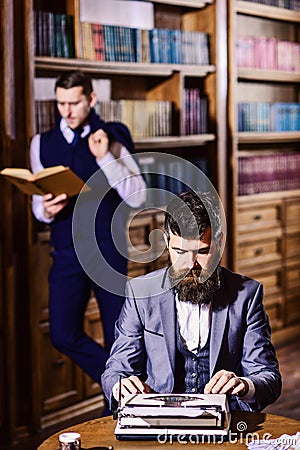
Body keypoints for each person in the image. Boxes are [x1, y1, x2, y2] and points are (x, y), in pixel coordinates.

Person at [101, 190, 282, 412]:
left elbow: (269, 378)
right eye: (179, 251)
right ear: (167, 242)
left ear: (220, 243)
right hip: (160, 419)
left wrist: (244, 385)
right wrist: (121, 386)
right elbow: (115, 372)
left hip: (225, 421)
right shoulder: (140, 293)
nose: (190, 264)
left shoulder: (247, 295)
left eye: (202, 252)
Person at [30, 70, 146, 384]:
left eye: (73, 103)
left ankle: (120, 409)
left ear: (91, 100)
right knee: (62, 334)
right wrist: (45, 209)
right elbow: (38, 206)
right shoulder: (41, 143)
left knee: (119, 340)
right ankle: (126, 386)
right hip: (65, 253)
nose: (66, 111)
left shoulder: (113, 134)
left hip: (106, 252)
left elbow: (137, 196)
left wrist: (104, 156)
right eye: (60, 103)